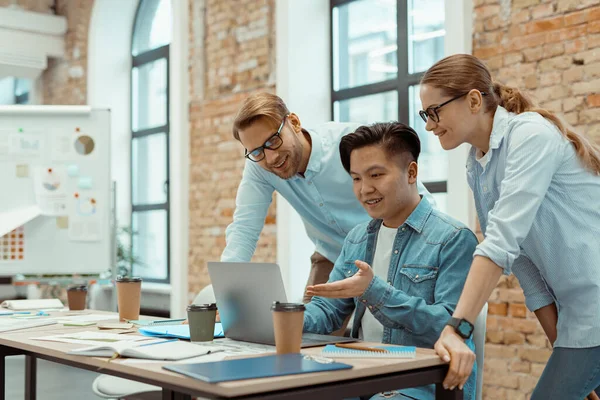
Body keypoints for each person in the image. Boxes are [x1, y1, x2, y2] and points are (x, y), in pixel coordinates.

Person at [419, 54, 600, 400]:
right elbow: (525, 269)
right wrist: (561, 346)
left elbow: (499, 243)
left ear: (473, 100)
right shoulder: (477, 164)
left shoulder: (530, 135)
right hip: (580, 316)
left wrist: (457, 327)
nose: (429, 125)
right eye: (425, 115)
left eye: (434, 112)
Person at [303, 122, 478, 400]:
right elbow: (328, 312)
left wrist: (374, 291)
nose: (364, 189)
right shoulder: (357, 238)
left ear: (411, 172)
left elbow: (448, 324)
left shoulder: (453, 239)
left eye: (376, 175)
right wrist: (278, 317)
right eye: (356, 178)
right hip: (359, 375)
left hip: (418, 384)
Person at [221, 93, 432, 303]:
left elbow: (415, 194)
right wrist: (226, 295)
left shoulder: (350, 143)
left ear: (294, 122)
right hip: (331, 257)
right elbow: (243, 229)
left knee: (399, 324)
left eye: (273, 141)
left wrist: (432, 249)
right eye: (257, 152)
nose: (271, 157)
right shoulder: (259, 167)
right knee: (304, 330)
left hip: (389, 249)